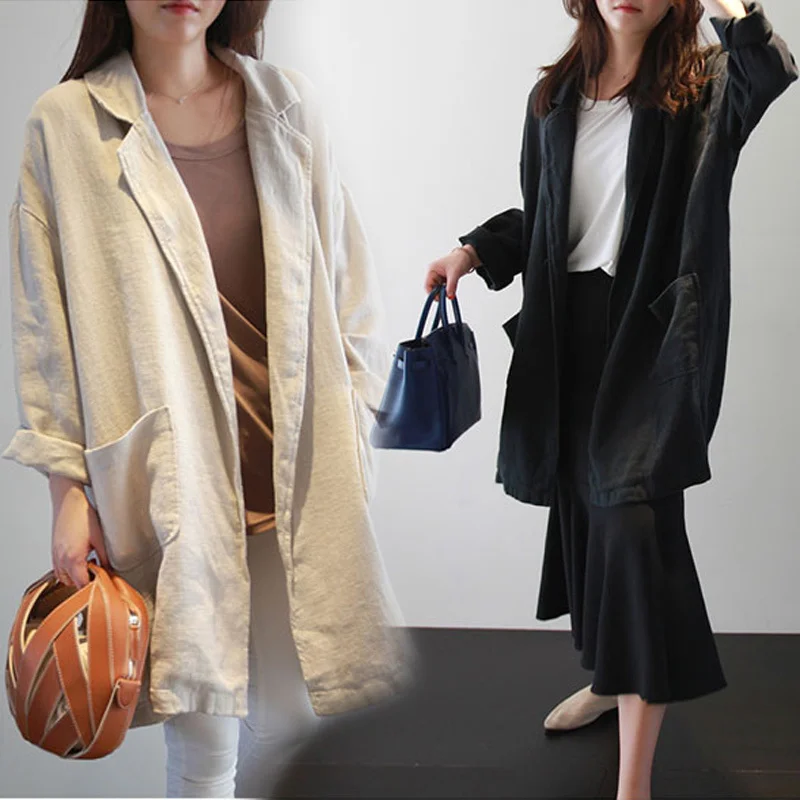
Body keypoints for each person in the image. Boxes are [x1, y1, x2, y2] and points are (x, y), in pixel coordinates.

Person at [3, 0, 412, 796]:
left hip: (296, 473)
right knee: (202, 742)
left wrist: (355, 424)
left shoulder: (286, 104)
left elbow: (350, 286)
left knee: (290, 717)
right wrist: (67, 491)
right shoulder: (67, 122)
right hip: (173, 475)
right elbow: (42, 328)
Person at [425, 1, 796, 798]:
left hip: (649, 338)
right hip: (567, 338)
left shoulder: (703, 90)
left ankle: (633, 782)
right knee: (585, 519)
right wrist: (473, 250)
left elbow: (770, 69)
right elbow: (547, 215)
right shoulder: (554, 99)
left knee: (635, 534)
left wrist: (734, 8)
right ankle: (607, 676)